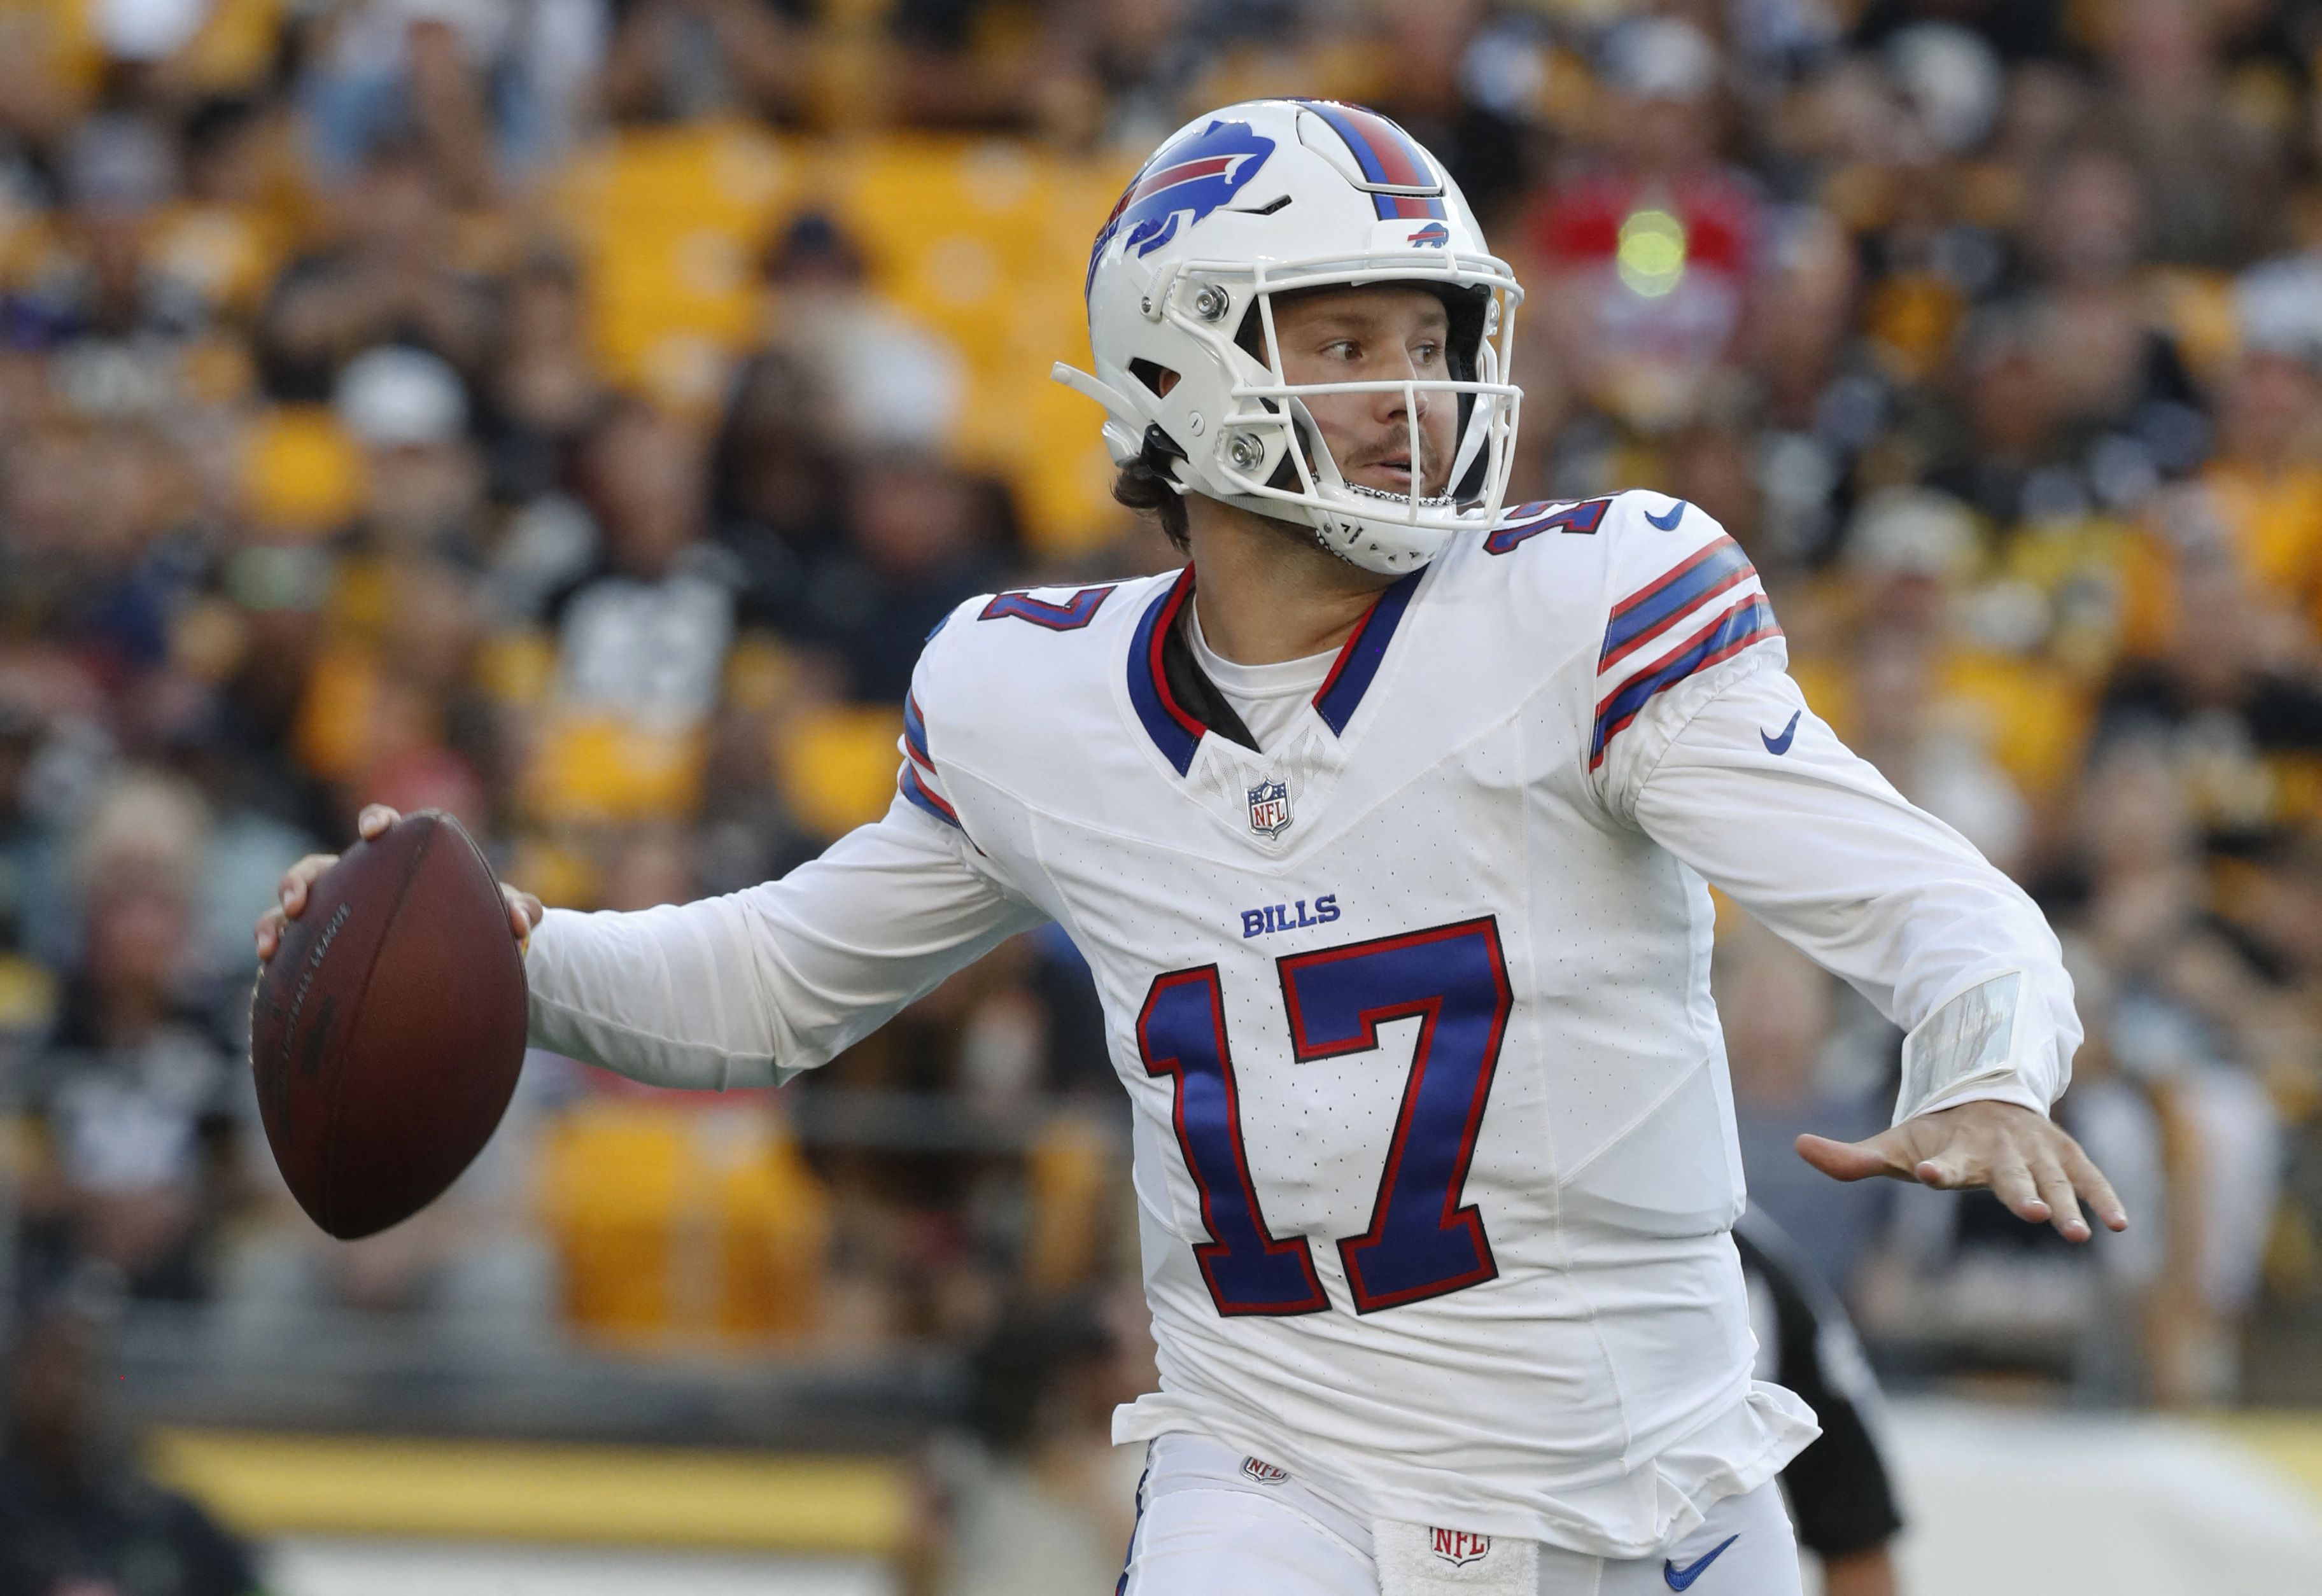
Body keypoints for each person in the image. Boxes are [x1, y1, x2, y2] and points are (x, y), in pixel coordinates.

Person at [260, 101, 2124, 1595]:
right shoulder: (1028, 699)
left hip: (1652, 1494)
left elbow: (1942, 908)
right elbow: (772, 987)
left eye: (1429, 334)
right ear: (1181, 363)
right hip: (1280, 1481)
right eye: (1339, 340)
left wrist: (1989, 1063)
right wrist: (513, 944)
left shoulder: (1593, 604)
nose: (1408, 388)